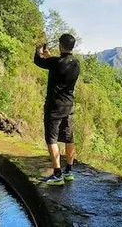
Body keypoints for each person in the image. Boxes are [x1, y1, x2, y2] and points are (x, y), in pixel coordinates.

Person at [34, 34, 80, 186]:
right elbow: (59, 62)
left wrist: (38, 50)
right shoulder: (75, 63)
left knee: (51, 139)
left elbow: (38, 61)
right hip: (69, 105)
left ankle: (57, 174)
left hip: (54, 106)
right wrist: (50, 56)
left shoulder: (55, 62)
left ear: (61, 45)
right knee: (69, 137)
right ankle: (69, 171)